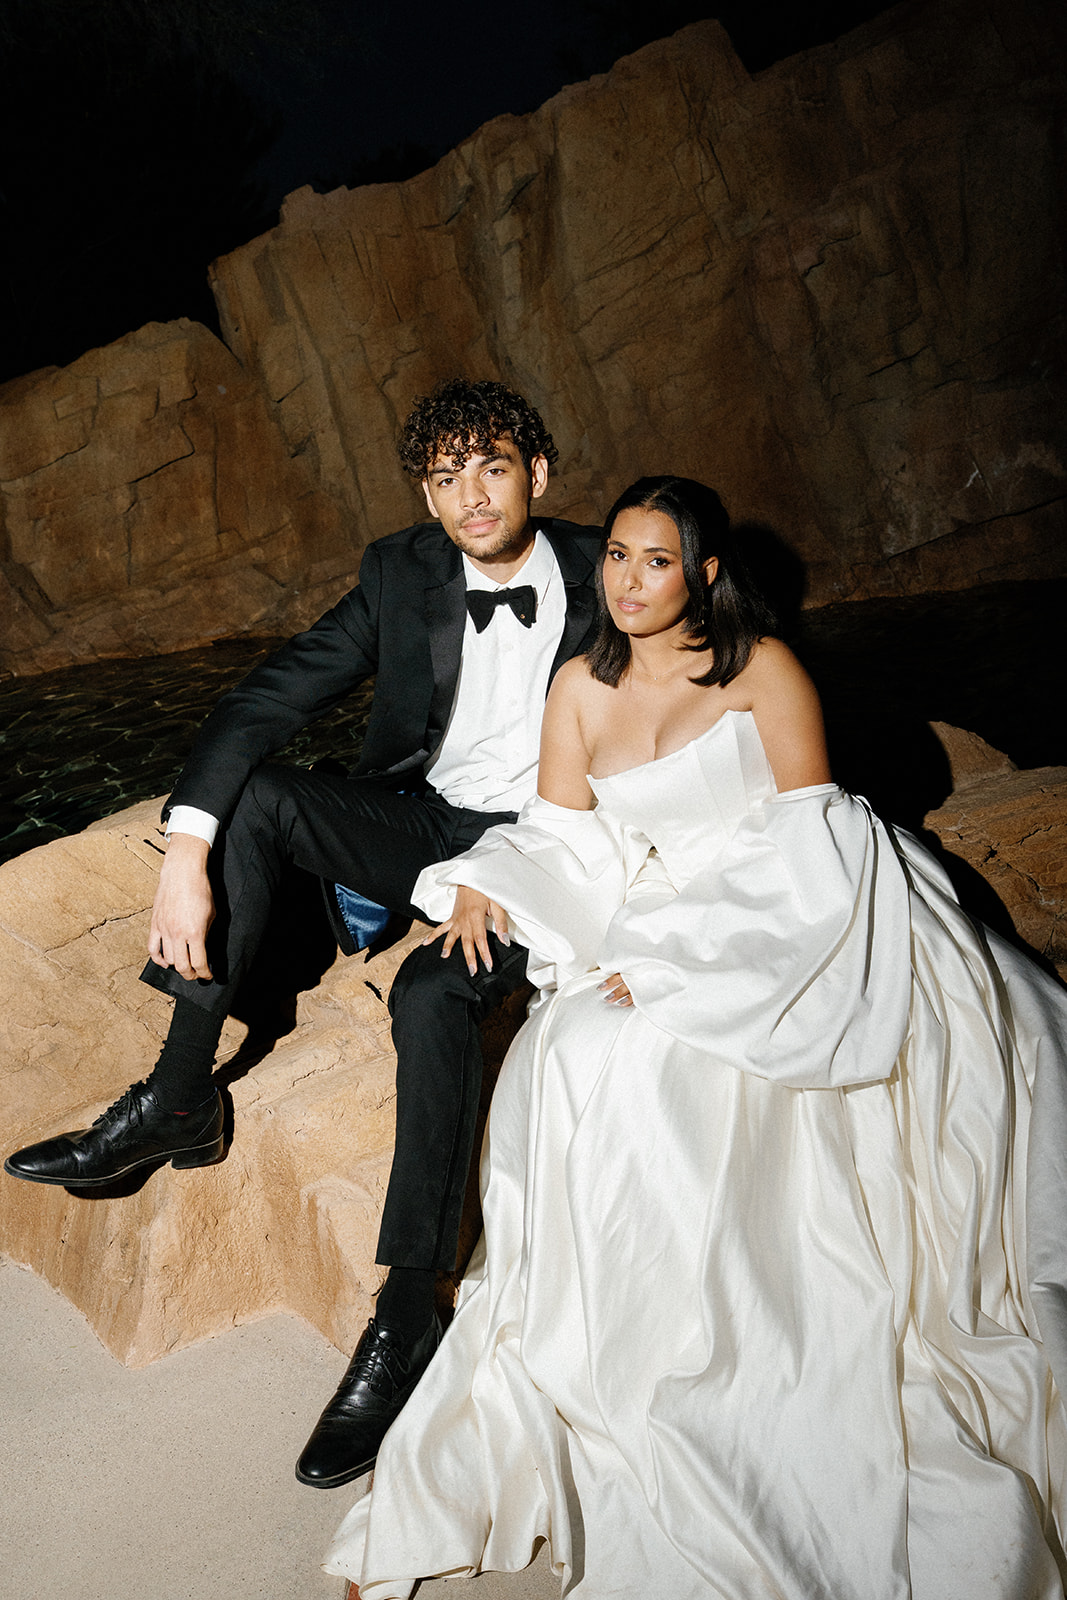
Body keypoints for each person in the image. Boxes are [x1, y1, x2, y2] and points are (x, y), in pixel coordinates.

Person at [325, 476, 1067, 1599]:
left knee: (701, 1062)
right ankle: (630, 1356)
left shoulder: (760, 669)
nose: (626, 580)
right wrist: (484, 884)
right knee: (581, 1056)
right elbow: (564, 838)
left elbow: (815, 842)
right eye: (615, 556)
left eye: (655, 561)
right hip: (662, 904)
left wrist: (687, 965)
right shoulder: (578, 685)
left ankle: (756, 1364)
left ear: (704, 574)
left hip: (794, 911)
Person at [3, 378, 602, 1491]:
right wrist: (184, 850)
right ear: (424, 493)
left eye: (492, 468)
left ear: (540, 473)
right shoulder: (400, 572)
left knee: (435, 997)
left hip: (551, 847)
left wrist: (502, 872)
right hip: (422, 821)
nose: (469, 496)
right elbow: (262, 700)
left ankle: (408, 1305)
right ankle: (183, 1093)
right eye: (444, 476)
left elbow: (659, 743)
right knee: (259, 795)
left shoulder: (606, 569)